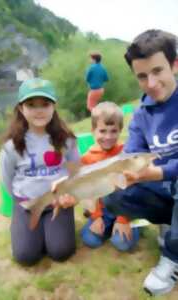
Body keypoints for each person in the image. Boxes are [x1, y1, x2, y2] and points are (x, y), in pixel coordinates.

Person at [103, 29, 178, 296]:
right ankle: (171, 224)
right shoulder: (141, 115)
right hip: (164, 189)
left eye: (158, 71)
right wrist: (127, 172)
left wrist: (156, 173)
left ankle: (172, 258)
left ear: (174, 65)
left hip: (170, 180)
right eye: (142, 76)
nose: (152, 82)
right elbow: (130, 154)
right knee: (113, 194)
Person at [0, 77, 79, 265]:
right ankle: (30, 232)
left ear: (54, 106)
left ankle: (51, 230)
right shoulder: (11, 146)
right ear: (21, 108)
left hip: (57, 204)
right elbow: (7, 180)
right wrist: (24, 201)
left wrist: (69, 196)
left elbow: (76, 172)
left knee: (61, 252)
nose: (39, 110)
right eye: (31, 105)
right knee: (26, 257)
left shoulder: (67, 140)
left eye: (45, 104)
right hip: (26, 205)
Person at [81, 102, 140, 251]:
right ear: (93, 131)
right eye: (102, 131)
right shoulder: (87, 159)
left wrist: (123, 218)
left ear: (120, 130)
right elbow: (88, 192)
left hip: (125, 207)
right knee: (90, 239)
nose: (108, 137)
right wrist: (96, 217)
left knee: (122, 243)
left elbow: (133, 189)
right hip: (103, 210)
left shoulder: (126, 154)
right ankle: (107, 225)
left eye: (113, 131)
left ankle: (132, 224)